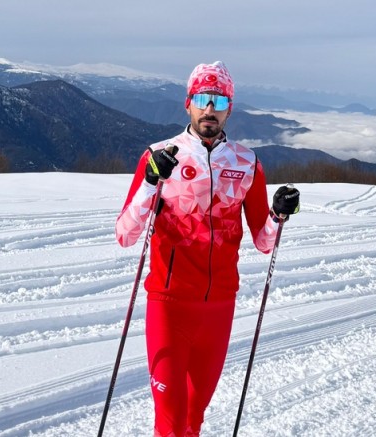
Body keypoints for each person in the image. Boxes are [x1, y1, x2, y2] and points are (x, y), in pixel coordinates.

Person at [115, 61, 300, 437]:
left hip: (218, 308)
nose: (209, 108)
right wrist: (151, 182)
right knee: (170, 419)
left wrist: (279, 216)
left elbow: (263, 242)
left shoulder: (248, 163)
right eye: (202, 99)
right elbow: (125, 234)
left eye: (218, 100)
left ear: (229, 107)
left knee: (193, 420)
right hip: (168, 304)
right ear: (188, 104)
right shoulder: (159, 155)